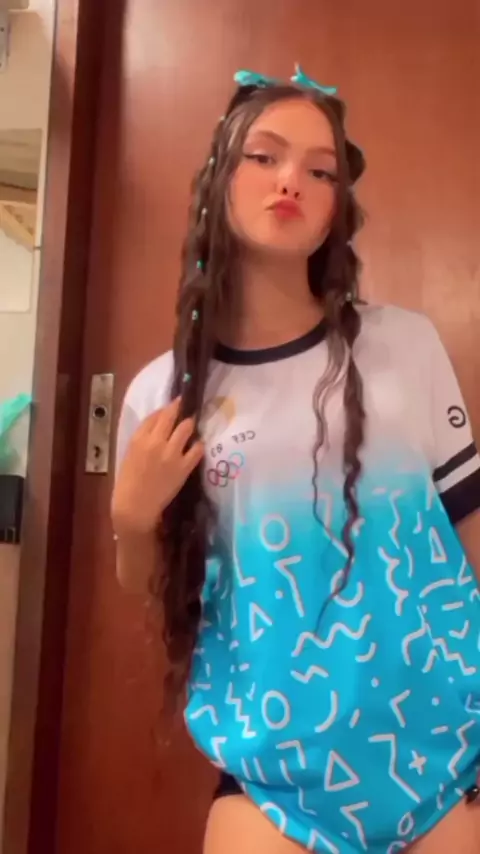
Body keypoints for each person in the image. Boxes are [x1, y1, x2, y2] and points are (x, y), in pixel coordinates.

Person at [111, 65, 480, 854]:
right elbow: (151, 589)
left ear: (338, 208)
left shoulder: (405, 345)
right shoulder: (163, 395)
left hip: (450, 753)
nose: (291, 182)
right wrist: (131, 520)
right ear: (218, 177)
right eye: (265, 156)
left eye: (321, 171)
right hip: (271, 780)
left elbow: (470, 528)